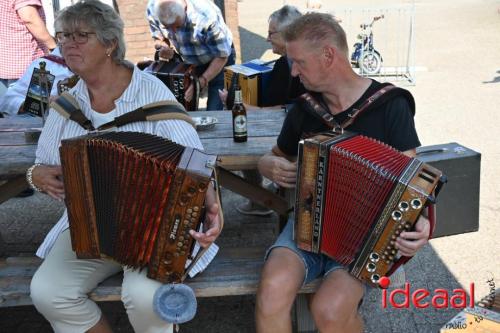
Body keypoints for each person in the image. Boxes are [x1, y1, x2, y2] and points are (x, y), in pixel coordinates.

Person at [28, 2, 222, 332]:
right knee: (47, 291)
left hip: (158, 226)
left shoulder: (152, 96)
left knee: (144, 297)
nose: (68, 44)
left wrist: (214, 208)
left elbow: (196, 164)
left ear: (110, 44)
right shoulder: (66, 104)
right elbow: (40, 167)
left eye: (81, 36)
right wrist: (37, 176)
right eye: (63, 35)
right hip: (91, 226)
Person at [255, 13, 431, 333]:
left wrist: (420, 224)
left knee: (329, 310)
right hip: (306, 228)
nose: (292, 72)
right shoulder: (304, 109)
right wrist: (267, 165)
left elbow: (412, 183)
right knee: (271, 292)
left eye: (298, 62)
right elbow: (272, 157)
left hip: (365, 238)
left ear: (328, 56)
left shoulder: (391, 105)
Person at [147, 0, 235, 111]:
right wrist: (163, 46)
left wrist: (199, 84)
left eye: (177, 26)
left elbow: (222, 56)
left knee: (214, 110)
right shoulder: (153, 7)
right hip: (190, 62)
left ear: (184, 11)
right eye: (167, 27)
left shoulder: (206, 16)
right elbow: (158, 38)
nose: (173, 32)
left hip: (218, 59)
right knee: (186, 107)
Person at [0, 0, 57, 96]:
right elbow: (30, 18)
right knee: (35, 109)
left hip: (5, 64)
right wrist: (54, 47)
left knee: (7, 108)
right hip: (27, 66)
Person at [0, 47, 73, 117]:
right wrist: (42, 105)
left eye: (82, 35)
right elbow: (11, 99)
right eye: (67, 36)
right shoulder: (47, 68)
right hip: (52, 126)